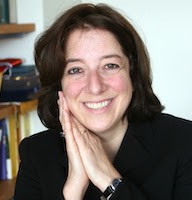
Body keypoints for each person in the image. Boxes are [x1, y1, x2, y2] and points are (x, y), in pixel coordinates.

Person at [13, 3, 192, 200]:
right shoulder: (36, 154)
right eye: (75, 70)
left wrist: (108, 179)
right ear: (59, 86)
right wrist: (72, 192)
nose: (95, 87)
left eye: (110, 65)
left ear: (132, 75)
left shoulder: (184, 142)